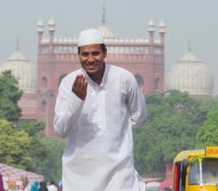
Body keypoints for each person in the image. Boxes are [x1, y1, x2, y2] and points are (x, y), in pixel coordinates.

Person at [53, 28, 148, 190]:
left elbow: (140, 115)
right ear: (78, 55)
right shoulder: (69, 83)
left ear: (104, 53)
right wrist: (76, 101)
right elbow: (61, 130)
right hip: (80, 174)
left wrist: (116, 130)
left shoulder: (123, 79)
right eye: (85, 54)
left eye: (95, 53)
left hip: (118, 173)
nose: (90, 59)